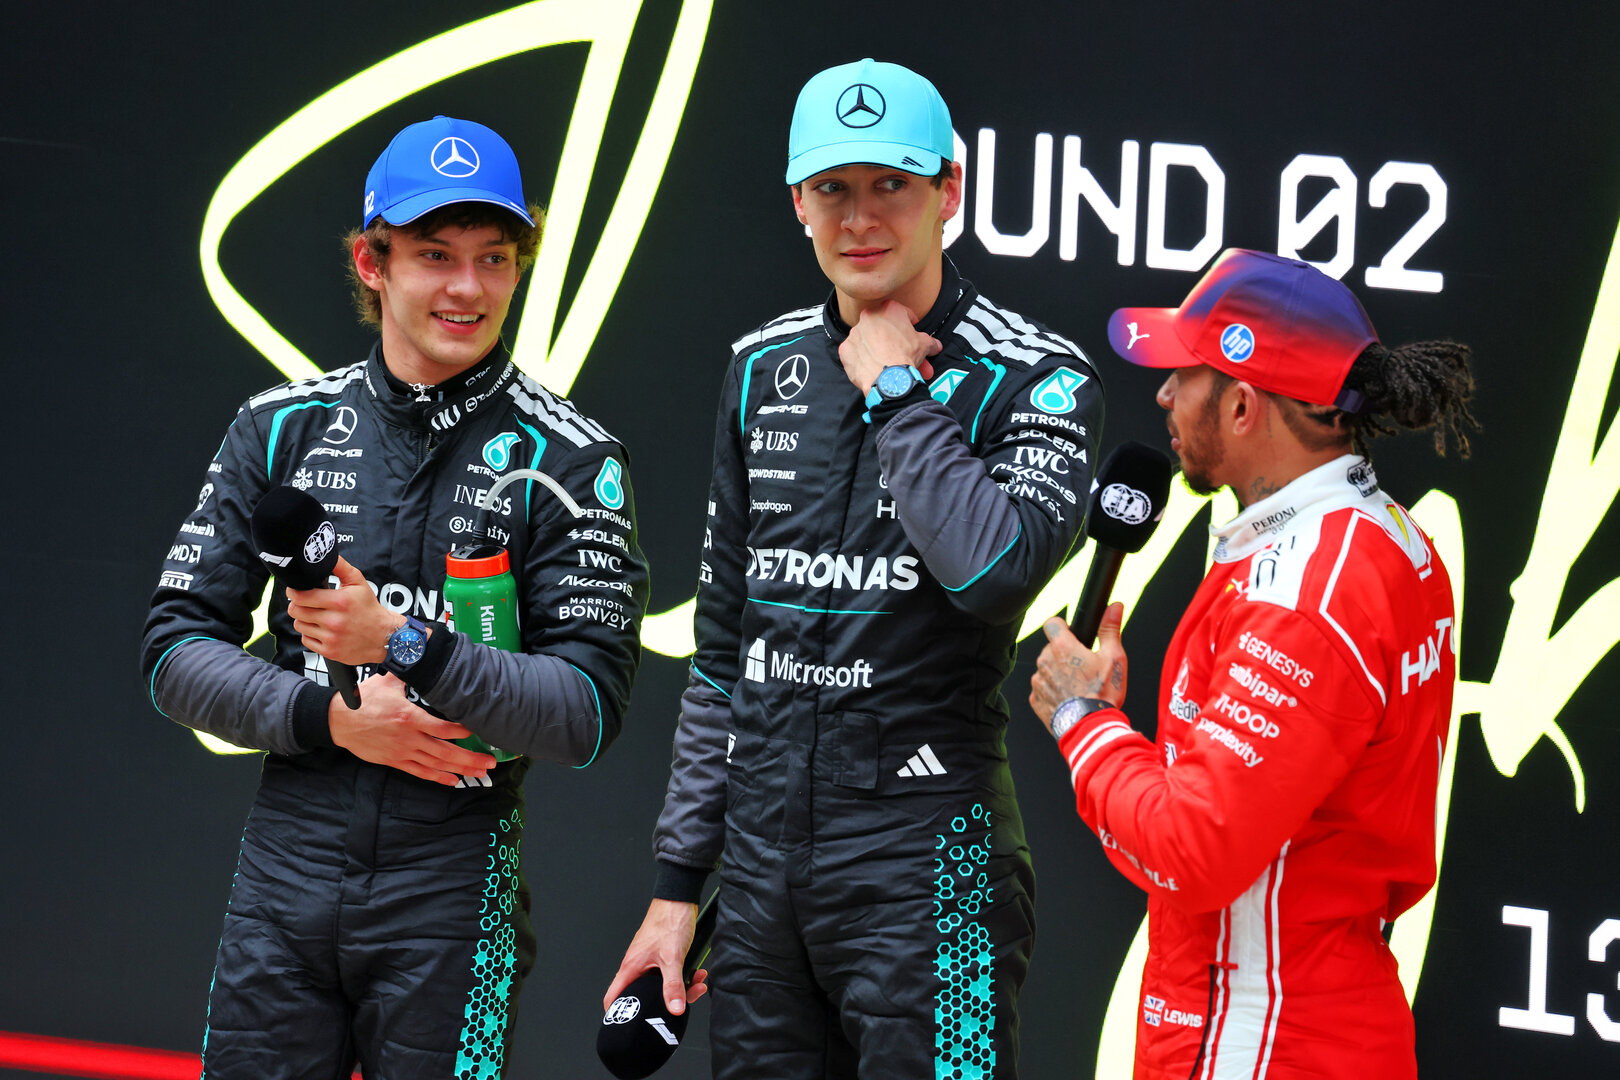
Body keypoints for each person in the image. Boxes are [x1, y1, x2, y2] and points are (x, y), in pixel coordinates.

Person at [604, 59, 1103, 1078]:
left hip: (931, 862)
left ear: (948, 194)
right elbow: (723, 656)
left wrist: (896, 394)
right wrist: (674, 891)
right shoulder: (762, 367)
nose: (862, 217)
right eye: (834, 188)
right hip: (760, 874)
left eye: (893, 186)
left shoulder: (1039, 376)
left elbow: (992, 572)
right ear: (798, 200)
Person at [141, 115, 648, 1079]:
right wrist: (331, 717)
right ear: (373, 263)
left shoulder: (572, 461)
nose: (467, 287)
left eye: (494, 258)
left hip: (456, 884)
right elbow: (173, 651)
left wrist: (405, 644)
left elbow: (586, 713)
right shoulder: (279, 429)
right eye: (433, 255)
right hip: (285, 871)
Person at [1029, 248, 1476, 1079]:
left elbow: (1195, 849)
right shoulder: (1382, 535)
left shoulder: (1304, 594)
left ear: (1240, 406)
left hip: (1261, 1038)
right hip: (1307, 1013)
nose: (1161, 394)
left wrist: (1081, 721)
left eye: (1183, 374)